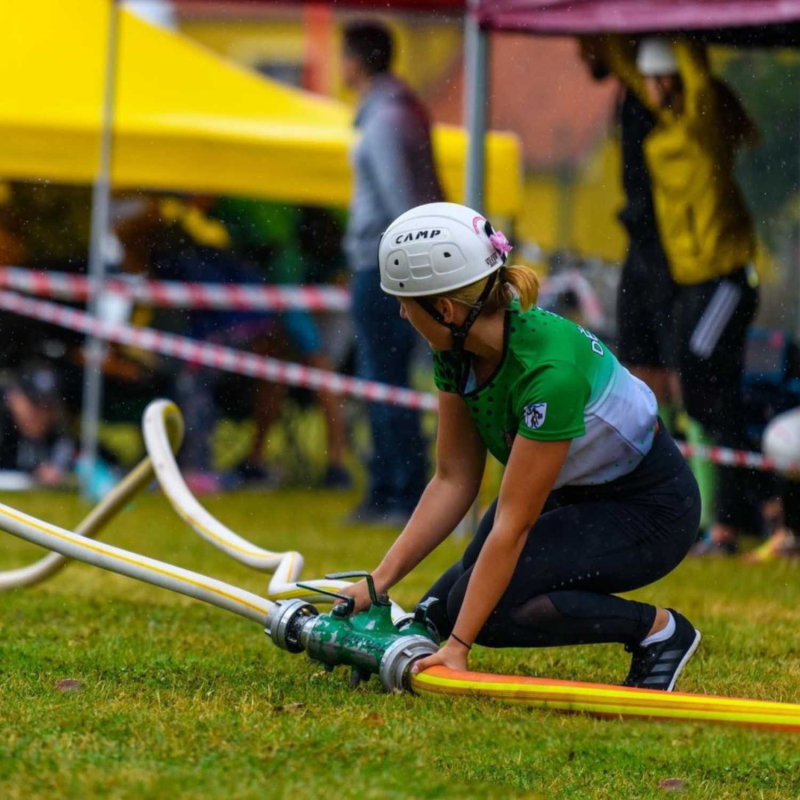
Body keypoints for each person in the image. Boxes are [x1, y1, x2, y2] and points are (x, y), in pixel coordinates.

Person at [339, 203, 703, 691]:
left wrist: (458, 647)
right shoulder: (456, 348)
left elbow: (512, 525)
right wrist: (378, 581)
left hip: (649, 509)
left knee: (488, 613)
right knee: (461, 593)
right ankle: (430, 620)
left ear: (444, 309)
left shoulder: (549, 377)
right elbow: (453, 480)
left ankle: (660, 631)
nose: (402, 314)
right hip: (577, 489)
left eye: (406, 302)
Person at [598, 37, 760, 555]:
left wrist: (680, 26)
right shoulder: (665, 127)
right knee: (700, 388)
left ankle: (729, 522)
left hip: (725, 278)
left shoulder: (703, 124)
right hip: (693, 280)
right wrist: (611, 29)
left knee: (699, 377)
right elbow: (630, 69)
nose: (650, 86)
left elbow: (697, 76)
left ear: (674, 79)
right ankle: (711, 518)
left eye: (659, 77)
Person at [342, 21, 444, 525]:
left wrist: (399, 263)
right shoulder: (402, 113)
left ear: (355, 61)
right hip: (390, 266)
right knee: (388, 380)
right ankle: (392, 488)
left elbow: (401, 203)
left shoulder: (384, 121)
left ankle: (396, 491)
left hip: (384, 268)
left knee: (384, 381)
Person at [578, 38, 678, 415]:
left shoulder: (660, 101)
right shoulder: (632, 94)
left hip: (672, 253)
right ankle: (656, 460)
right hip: (642, 247)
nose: (580, 52)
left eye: (585, 42)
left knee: (686, 379)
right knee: (639, 367)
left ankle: (695, 466)